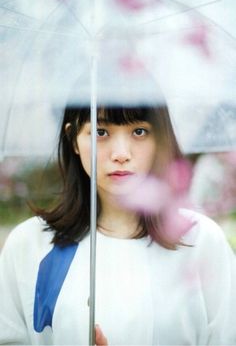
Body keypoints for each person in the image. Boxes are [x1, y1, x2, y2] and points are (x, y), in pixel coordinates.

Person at [0, 103, 236, 345]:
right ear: (73, 139)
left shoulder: (200, 241)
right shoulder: (30, 244)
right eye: (101, 132)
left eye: (139, 131)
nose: (121, 153)